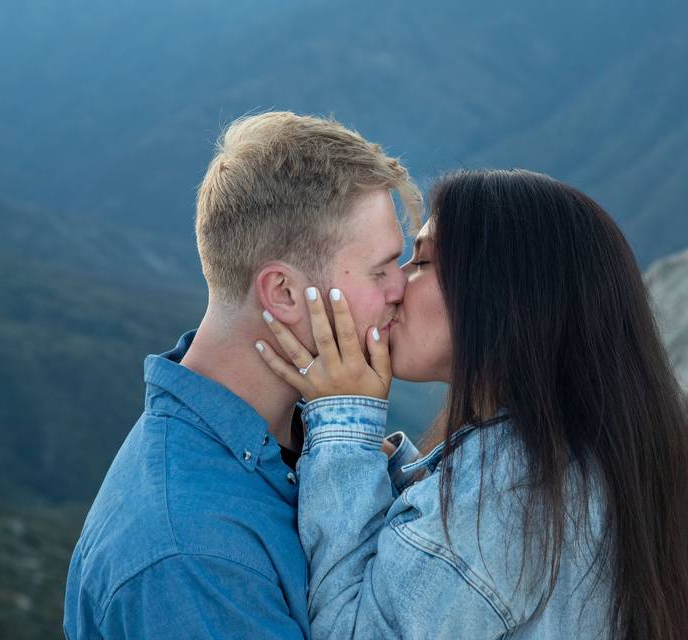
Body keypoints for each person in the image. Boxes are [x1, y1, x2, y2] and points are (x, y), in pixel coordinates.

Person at [256, 169, 688, 639]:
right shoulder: (556, 466)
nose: (396, 287)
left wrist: (344, 428)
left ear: (503, 294)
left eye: (422, 263)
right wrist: (382, 466)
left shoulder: (505, 497)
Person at [63, 111, 422, 639]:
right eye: (381, 269)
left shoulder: (292, 438)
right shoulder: (191, 554)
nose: (402, 288)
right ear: (282, 293)